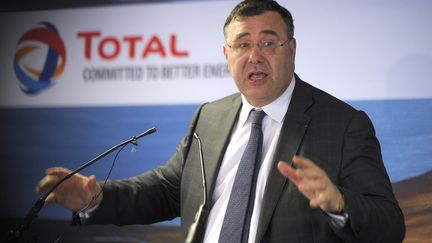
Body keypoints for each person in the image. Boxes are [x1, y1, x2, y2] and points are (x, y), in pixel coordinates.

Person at [36, 0, 405, 242]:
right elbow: (168, 190)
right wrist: (96, 198)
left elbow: (390, 225)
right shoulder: (209, 117)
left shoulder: (342, 125)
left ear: (291, 50)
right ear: (226, 55)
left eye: (268, 43)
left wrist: (340, 202)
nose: (254, 56)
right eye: (243, 44)